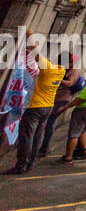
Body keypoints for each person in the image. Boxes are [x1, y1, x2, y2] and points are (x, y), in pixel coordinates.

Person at [6, 33, 64, 175]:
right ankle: (30, 163)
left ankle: (21, 165)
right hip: (48, 106)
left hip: (35, 106)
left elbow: (34, 51)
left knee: (27, 136)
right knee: (38, 135)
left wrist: (31, 35)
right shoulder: (60, 71)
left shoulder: (49, 69)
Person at [35, 51, 80, 159]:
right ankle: (39, 146)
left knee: (49, 122)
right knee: (44, 122)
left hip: (62, 99)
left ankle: (44, 148)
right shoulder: (56, 67)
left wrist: (57, 77)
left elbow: (70, 83)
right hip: (50, 97)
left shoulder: (73, 71)